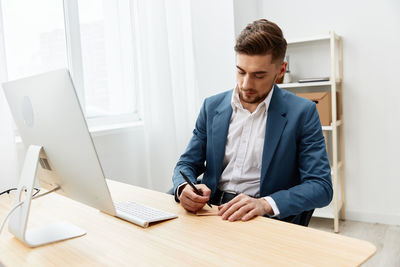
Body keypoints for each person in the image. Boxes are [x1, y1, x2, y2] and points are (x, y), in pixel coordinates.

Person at [171, 19, 332, 226]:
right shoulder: (211, 107)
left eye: (259, 75)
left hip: (259, 218)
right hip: (209, 212)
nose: (246, 84)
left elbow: (321, 187)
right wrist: (184, 187)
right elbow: (186, 164)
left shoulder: (303, 112)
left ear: (281, 71)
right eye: (241, 71)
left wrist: (264, 204)